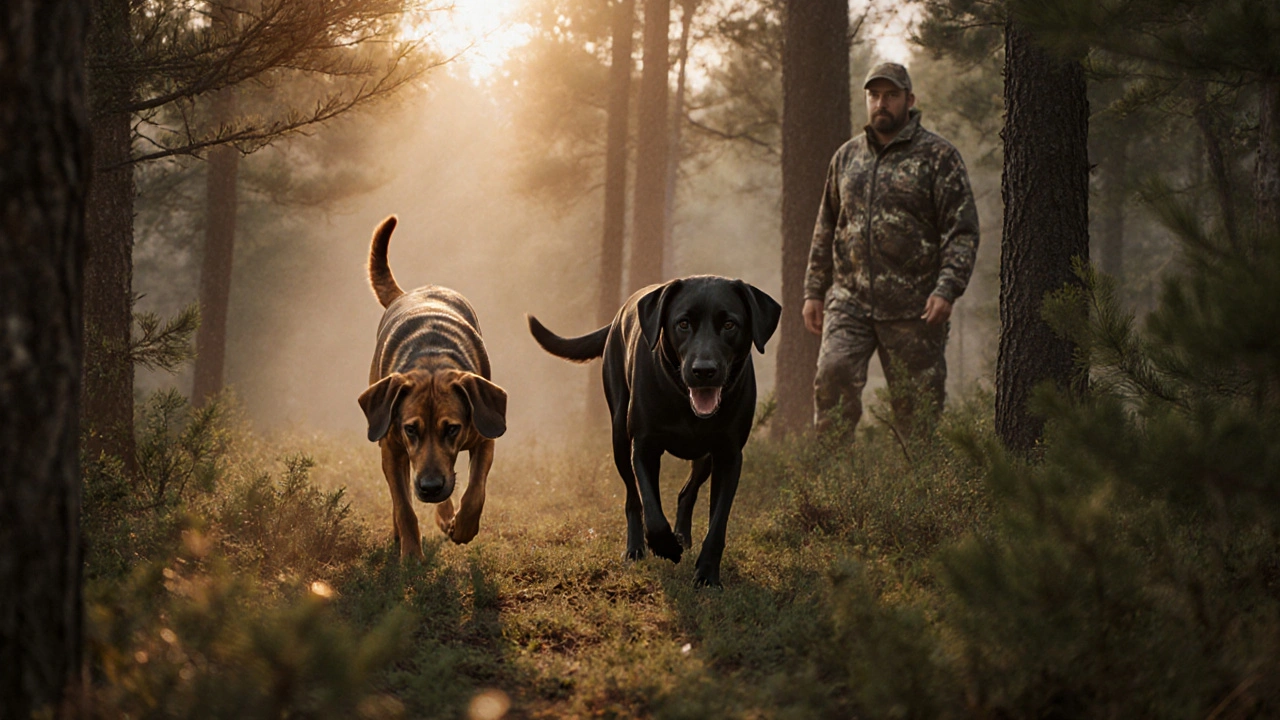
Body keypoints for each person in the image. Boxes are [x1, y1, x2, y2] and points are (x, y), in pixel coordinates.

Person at [802, 61, 979, 435]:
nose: (882, 103)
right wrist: (814, 291)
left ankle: (917, 486)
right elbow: (827, 225)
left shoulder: (938, 157)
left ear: (909, 100)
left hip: (914, 308)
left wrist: (947, 289)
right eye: (874, 95)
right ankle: (826, 483)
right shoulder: (846, 158)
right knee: (831, 376)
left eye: (891, 95)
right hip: (849, 302)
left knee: (917, 413)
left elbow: (961, 231)